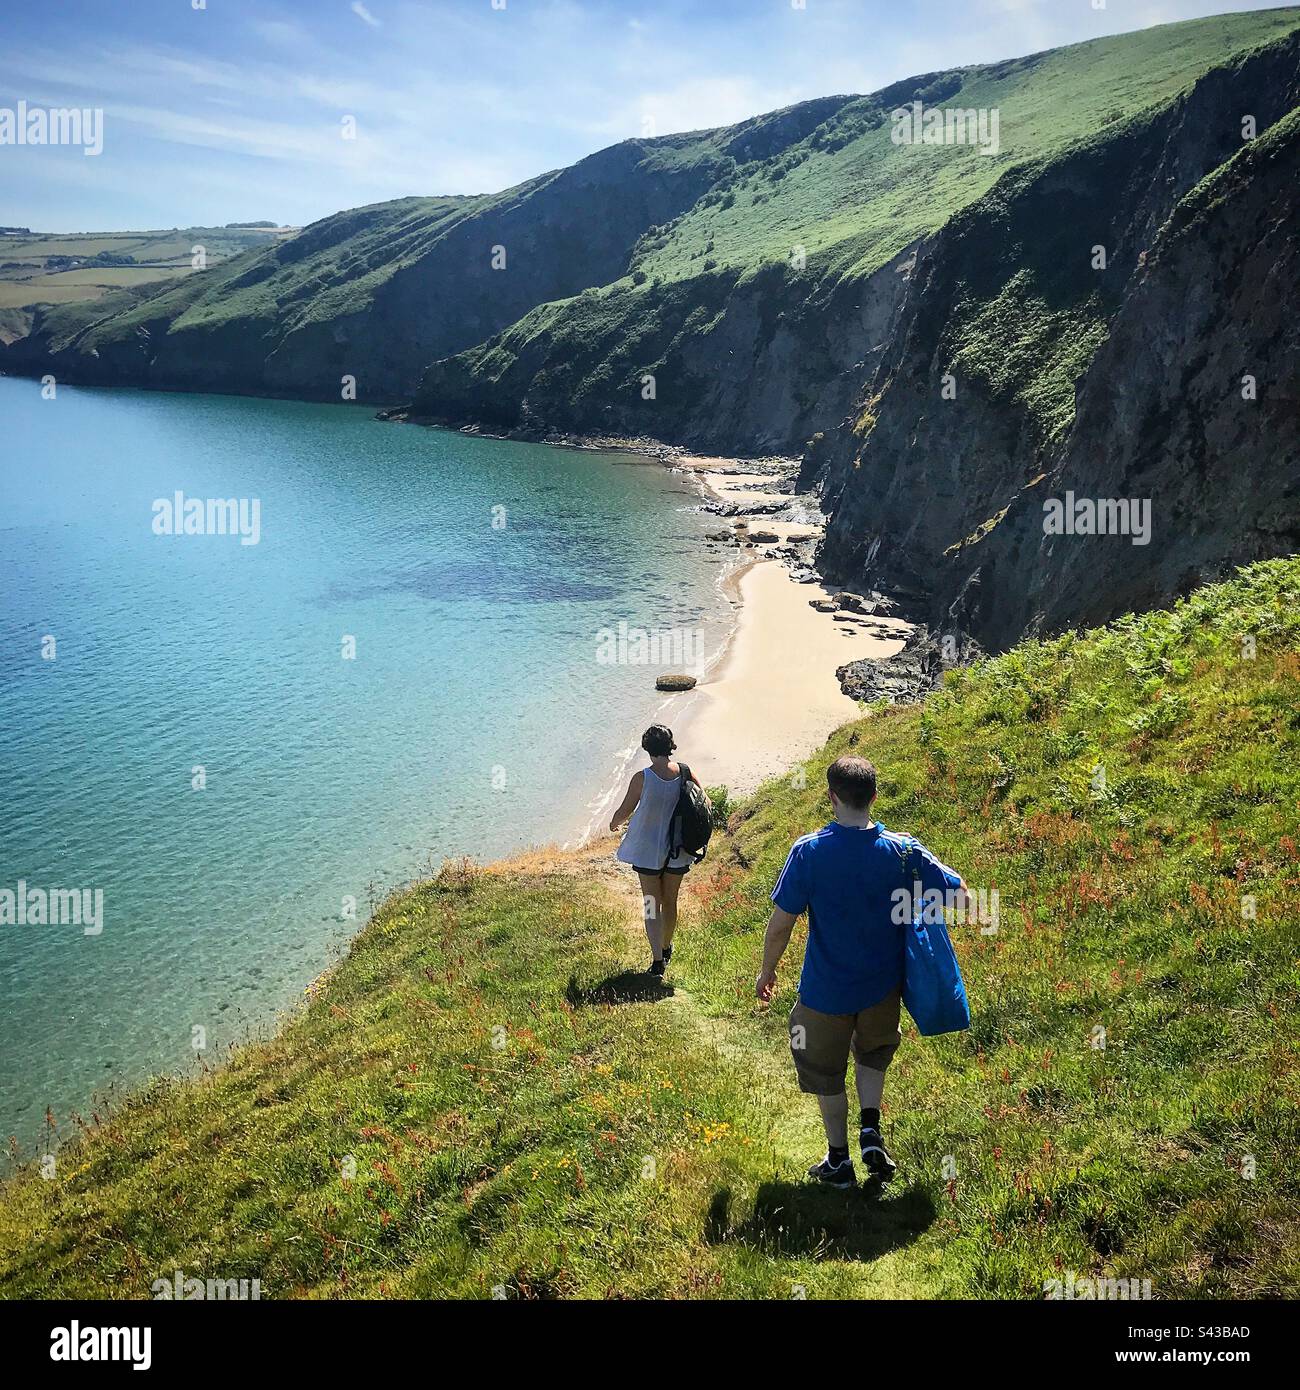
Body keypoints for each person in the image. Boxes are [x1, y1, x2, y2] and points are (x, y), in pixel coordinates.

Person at [755, 754, 964, 1188]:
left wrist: (767, 971)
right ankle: (871, 1130)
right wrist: (914, 902)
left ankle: (839, 1162)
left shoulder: (809, 852)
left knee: (825, 1071)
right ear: (873, 796)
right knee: (872, 1055)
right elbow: (960, 895)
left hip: (825, 991)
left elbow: (781, 924)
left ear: (832, 797)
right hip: (882, 989)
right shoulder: (904, 850)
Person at [610, 724, 703, 978]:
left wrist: (613, 824)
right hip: (678, 848)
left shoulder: (642, 778)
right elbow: (703, 801)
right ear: (670, 745)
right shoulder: (685, 772)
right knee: (670, 901)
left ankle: (657, 960)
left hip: (649, 850)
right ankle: (666, 945)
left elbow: (625, 809)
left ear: (647, 748)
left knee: (651, 903)